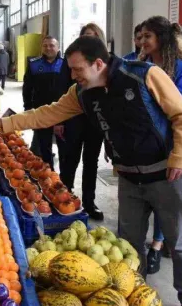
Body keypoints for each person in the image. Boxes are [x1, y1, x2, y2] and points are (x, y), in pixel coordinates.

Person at [0, 36, 182, 306]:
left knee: (178, 243)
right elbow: (48, 114)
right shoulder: (82, 93)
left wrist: (180, 156)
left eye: (77, 69)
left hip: (165, 174)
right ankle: (136, 297)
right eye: (70, 69)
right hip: (129, 179)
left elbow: (181, 114)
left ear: (98, 64)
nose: (73, 75)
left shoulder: (145, 75)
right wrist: (3, 123)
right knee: (129, 245)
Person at [138, 16, 182, 274]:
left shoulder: (180, 68)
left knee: (165, 198)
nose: (142, 41)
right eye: (142, 36)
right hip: (141, 142)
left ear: (161, 38)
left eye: (148, 36)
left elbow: (179, 107)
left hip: (168, 143)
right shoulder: (136, 64)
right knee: (141, 196)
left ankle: (157, 246)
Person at [57, 24, 107, 220]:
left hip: (95, 122)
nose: (89, 39)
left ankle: (88, 201)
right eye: (86, 36)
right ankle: (64, 197)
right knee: (69, 159)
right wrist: (59, 120)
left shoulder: (107, 66)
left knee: (91, 162)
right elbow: (61, 93)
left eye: (93, 36)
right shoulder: (71, 62)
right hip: (73, 118)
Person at [22, 36, 68, 172]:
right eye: (45, 45)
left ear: (58, 47)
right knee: (44, 148)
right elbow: (27, 88)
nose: (48, 48)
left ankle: (66, 182)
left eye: (52, 45)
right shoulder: (34, 64)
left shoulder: (66, 64)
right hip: (40, 112)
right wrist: (28, 108)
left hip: (62, 113)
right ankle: (49, 176)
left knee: (64, 150)